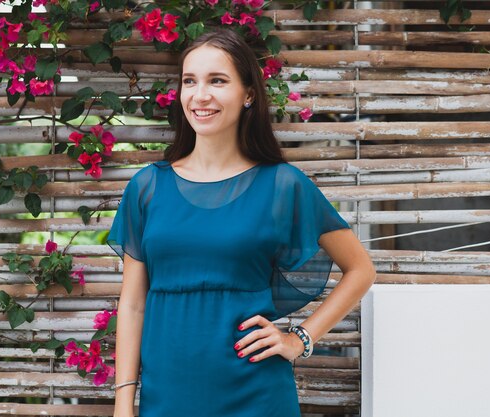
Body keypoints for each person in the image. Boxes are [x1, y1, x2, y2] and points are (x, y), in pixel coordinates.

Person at [107, 28, 376, 417]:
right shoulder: (148, 187)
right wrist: (122, 402)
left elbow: (361, 270)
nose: (200, 95)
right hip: (168, 395)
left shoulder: (283, 185)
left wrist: (300, 338)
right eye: (190, 81)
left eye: (217, 80)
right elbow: (132, 306)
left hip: (256, 394)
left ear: (249, 94)